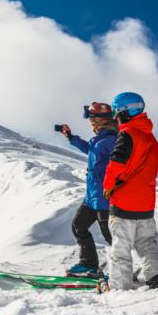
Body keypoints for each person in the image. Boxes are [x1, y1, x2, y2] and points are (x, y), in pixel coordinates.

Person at [103, 92, 158, 290]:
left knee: (121, 247)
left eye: (117, 112)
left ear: (126, 111)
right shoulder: (152, 139)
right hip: (145, 204)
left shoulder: (128, 133)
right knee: (147, 243)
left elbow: (116, 164)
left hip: (124, 203)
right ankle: (156, 275)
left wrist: (108, 186)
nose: (115, 117)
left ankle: (119, 286)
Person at [59, 102, 118, 278]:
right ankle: (89, 264)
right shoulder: (98, 139)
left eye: (92, 119)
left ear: (102, 119)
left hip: (105, 197)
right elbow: (89, 149)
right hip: (91, 197)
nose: (90, 122)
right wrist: (70, 137)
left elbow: (121, 164)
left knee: (111, 237)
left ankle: (122, 269)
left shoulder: (112, 140)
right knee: (79, 226)